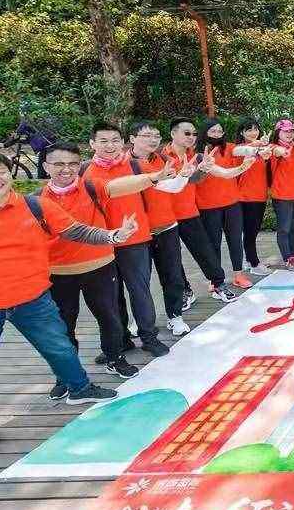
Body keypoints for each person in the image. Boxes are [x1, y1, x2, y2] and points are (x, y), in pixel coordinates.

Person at [0, 151, 120, 457]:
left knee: (60, 347)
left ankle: (79, 388)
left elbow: (77, 230)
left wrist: (112, 235)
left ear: (10, 174)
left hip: (32, 300)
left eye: (0, 172)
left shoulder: (36, 206)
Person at [40, 141, 167, 383]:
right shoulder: (36, 200)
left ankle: (115, 358)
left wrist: (153, 177)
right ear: (46, 167)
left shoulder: (90, 186)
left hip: (99, 265)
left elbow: (119, 185)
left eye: (72, 164)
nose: (66, 169)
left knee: (109, 317)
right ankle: (66, 375)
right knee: (64, 325)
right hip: (59, 272)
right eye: (58, 164)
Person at [83, 122, 170, 359]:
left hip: (135, 239)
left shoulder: (134, 165)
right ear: (92, 144)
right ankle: (120, 340)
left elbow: (160, 190)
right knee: (111, 296)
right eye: (103, 141)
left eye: (115, 140)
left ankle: (149, 337)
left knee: (139, 290)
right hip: (103, 241)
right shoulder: (86, 171)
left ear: (123, 142)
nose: (110, 146)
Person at [126, 122, 194, 337]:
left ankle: (175, 316)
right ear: (132, 138)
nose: (153, 140)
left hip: (166, 226)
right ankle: (139, 320)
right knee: (139, 281)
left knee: (172, 276)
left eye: (156, 136)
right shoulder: (123, 163)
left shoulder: (164, 160)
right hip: (137, 233)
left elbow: (172, 188)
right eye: (147, 135)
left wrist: (184, 176)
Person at [162, 119, 237, 302]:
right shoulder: (161, 157)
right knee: (172, 257)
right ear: (173, 134)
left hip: (189, 212)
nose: (191, 137)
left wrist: (244, 165)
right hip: (165, 217)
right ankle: (185, 290)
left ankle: (218, 284)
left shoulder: (196, 156)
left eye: (194, 134)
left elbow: (201, 178)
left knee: (205, 251)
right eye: (187, 133)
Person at [196, 119, 256, 285]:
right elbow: (223, 173)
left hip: (232, 203)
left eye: (219, 131)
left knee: (235, 240)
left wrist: (255, 148)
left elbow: (241, 149)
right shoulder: (198, 153)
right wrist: (243, 167)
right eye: (213, 131)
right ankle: (215, 280)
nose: (217, 134)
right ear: (205, 132)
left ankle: (239, 275)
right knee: (213, 243)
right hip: (208, 206)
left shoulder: (229, 147)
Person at [232, 119, 273, 276]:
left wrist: (264, 151)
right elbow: (243, 152)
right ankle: (254, 263)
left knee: (253, 231)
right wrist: (258, 145)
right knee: (249, 231)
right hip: (245, 196)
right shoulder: (240, 149)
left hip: (260, 195)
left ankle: (247, 260)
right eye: (249, 130)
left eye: (255, 129)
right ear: (242, 133)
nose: (253, 133)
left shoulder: (262, 149)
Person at [267, 119, 294, 270]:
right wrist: (280, 151)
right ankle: (287, 258)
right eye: (285, 131)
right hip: (281, 195)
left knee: (293, 227)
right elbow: (276, 152)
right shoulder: (273, 147)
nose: (289, 134)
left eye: (291, 131)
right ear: (278, 133)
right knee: (284, 228)